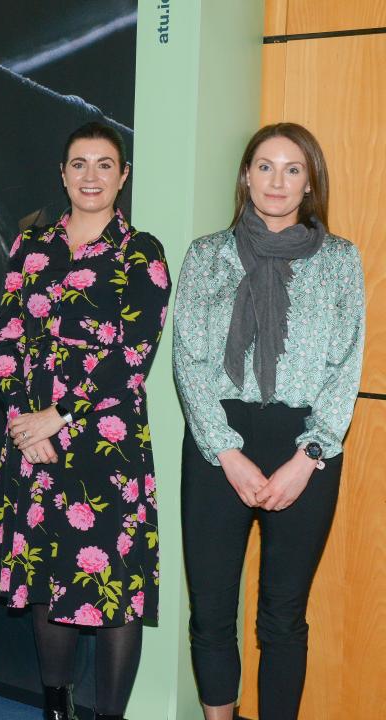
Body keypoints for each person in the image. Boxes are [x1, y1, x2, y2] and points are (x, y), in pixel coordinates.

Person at [173, 123, 364, 720]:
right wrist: (226, 451)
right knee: (210, 612)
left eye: (291, 169)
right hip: (216, 443)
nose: (276, 181)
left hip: (304, 446)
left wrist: (309, 457)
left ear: (309, 184)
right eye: (264, 166)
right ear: (246, 176)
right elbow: (189, 361)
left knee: (282, 615)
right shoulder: (208, 254)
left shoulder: (340, 260)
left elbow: (345, 364)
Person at [0, 121, 170, 720]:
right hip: (33, 446)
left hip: (107, 448)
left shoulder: (143, 252)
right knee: (46, 576)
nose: (91, 176)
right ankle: (57, 709)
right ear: (62, 174)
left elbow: (132, 356)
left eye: (105, 164)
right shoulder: (29, 247)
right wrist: (22, 422)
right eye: (79, 164)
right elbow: (6, 336)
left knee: (114, 592)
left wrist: (55, 417)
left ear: (124, 176)